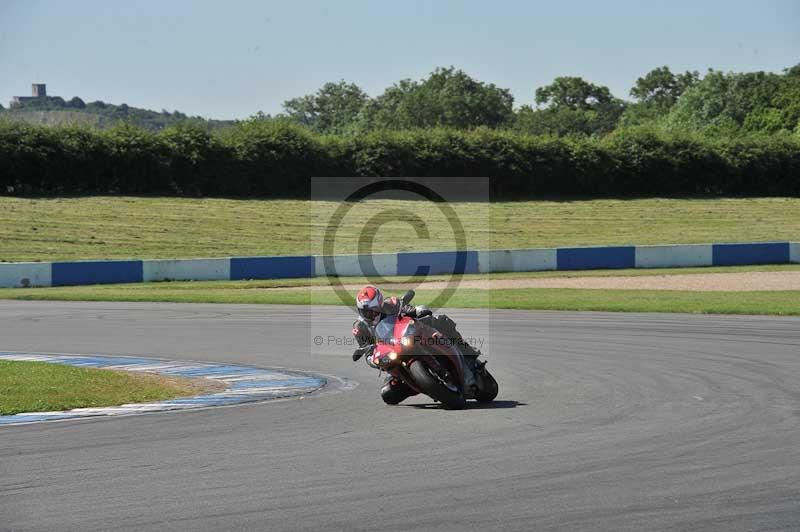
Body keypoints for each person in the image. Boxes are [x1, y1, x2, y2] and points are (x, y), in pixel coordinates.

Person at [350, 285, 481, 405]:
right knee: (387, 395)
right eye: (365, 311)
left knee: (441, 321)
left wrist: (418, 311)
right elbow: (367, 352)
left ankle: (468, 353)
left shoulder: (391, 304)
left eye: (373, 310)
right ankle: (423, 385)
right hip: (392, 354)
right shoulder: (359, 328)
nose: (370, 314)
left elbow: (408, 308)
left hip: (410, 337)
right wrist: (374, 359)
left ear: (379, 305)